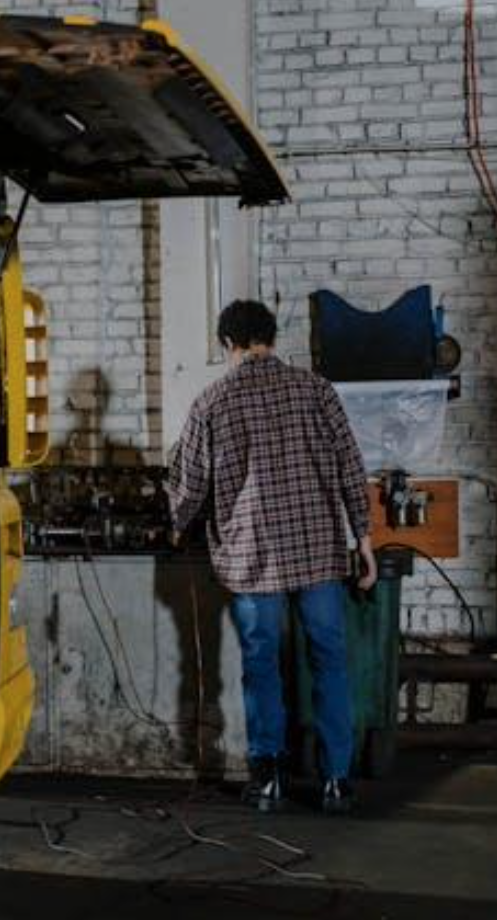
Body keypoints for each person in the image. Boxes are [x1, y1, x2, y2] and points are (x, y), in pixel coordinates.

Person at [167, 299, 376, 814]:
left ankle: (270, 781)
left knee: (260, 665)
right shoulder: (315, 390)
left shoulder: (211, 402)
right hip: (318, 552)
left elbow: (190, 487)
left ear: (227, 345)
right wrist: (364, 542)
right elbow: (352, 466)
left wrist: (175, 527)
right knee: (328, 659)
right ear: (272, 338)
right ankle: (336, 781)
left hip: (253, 556)